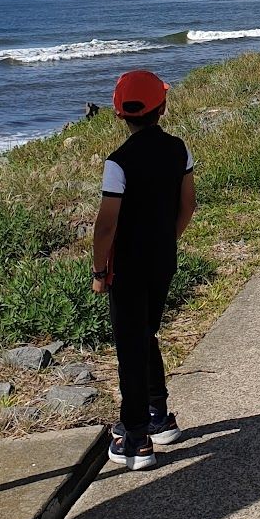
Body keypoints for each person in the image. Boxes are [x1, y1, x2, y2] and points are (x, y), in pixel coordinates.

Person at [91, 68, 196, 470]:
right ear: (162, 107)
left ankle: (135, 437)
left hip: (127, 267)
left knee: (130, 346)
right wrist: (168, 239)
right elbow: (188, 205)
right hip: (162, 258)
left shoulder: (118, 162)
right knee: (146, 332)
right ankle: (159, 415)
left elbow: (106, 225)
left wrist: (100, 271)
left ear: (120, 114)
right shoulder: (178, 149)